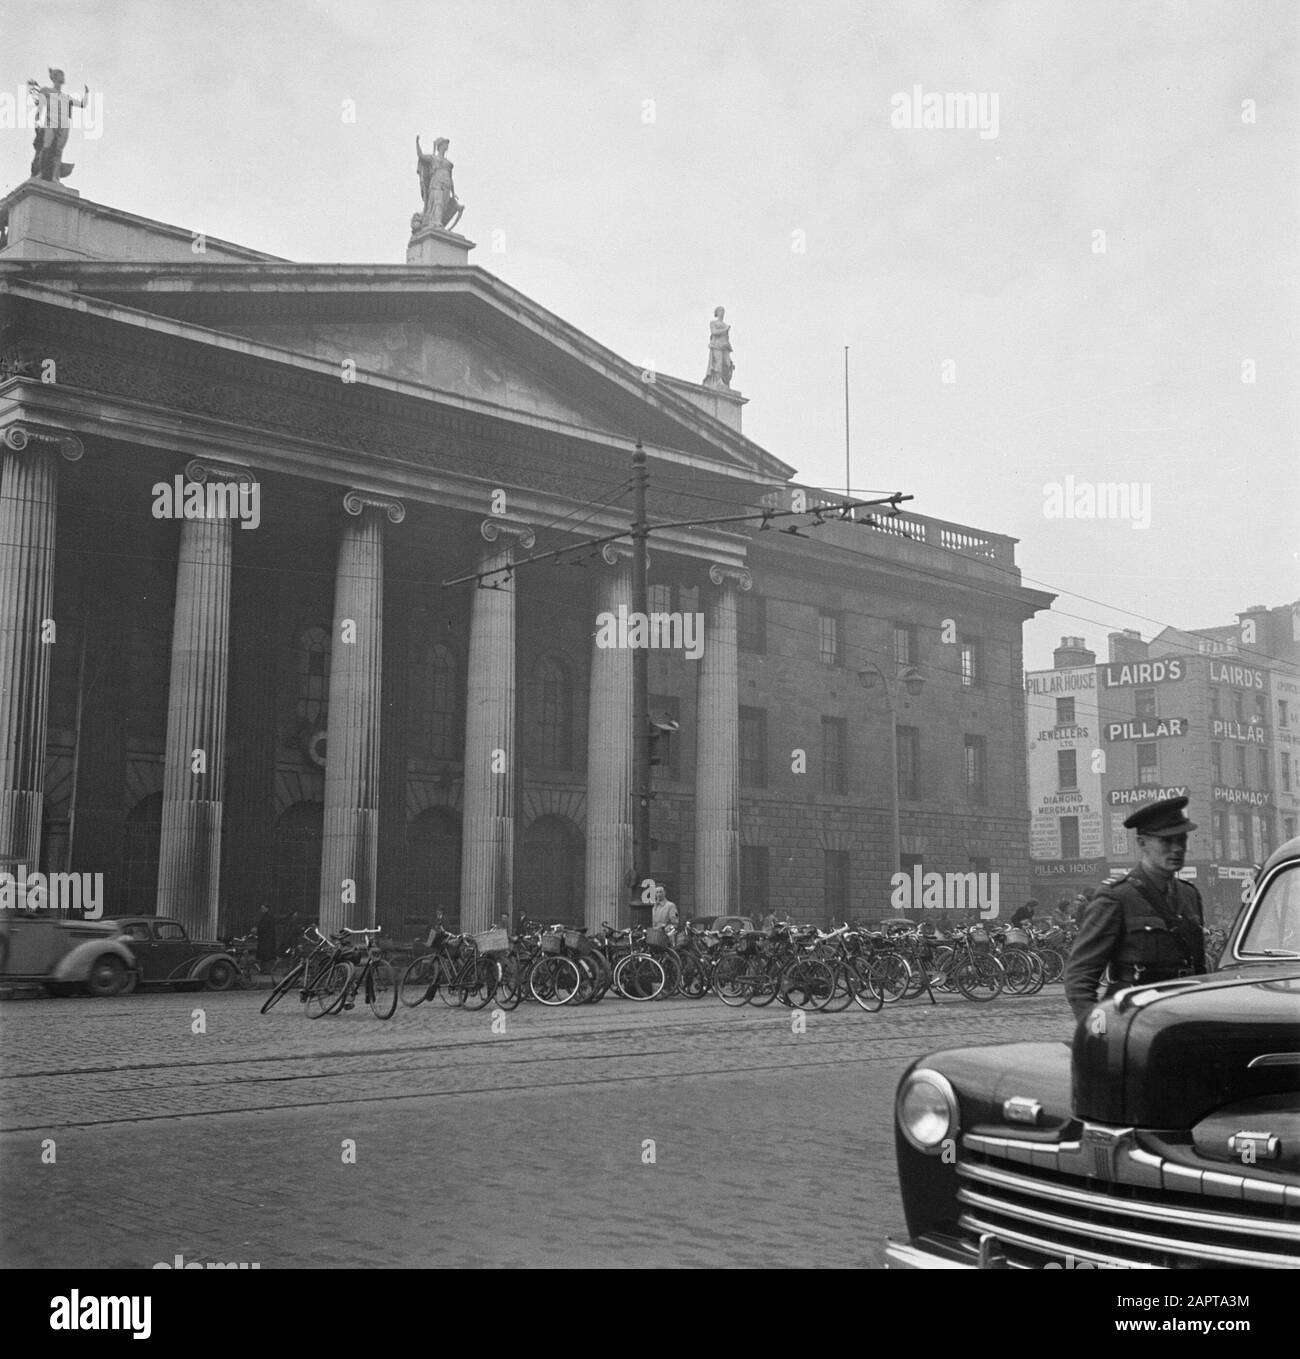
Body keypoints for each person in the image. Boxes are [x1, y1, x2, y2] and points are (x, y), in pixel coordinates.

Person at [1064, 797, 1206, 1023]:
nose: (1177, 849)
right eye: (1166, 841)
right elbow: (1079, 977)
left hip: (1182, 1015)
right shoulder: (1116, 897)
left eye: (1182, 840)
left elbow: (1198, 968)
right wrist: (1097, 1031)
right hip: (1134, 1019)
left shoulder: (1189, 895)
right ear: (1142, 843)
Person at [27, 69, 89, 182]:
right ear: (54, 77)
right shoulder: (46, 90)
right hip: (51, 123)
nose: (63, 77)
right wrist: (37, 120)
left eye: (63, 75)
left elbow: (82, 104)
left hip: (64, 125)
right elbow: (40, 107)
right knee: (46, 147)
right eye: (61, 75)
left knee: (58, 151)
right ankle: (41, 173)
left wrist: (87, 93)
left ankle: (55, 177)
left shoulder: (66, 97)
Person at [703, 307, 734, 388]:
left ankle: (724, 381)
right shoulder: (713, 323)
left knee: (727, 364)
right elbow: (714, 332)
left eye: (723, 310)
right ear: (716, 313)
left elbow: (726, 338)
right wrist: (725, 329)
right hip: (716, 345)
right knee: (718, 362)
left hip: (725, 346)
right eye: (720, 310)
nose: (722, 312)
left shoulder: (725, 325)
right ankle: (718, 380)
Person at [254, 904, 278, 973]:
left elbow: (265, 928)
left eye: (263, 908)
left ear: (267, 908)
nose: (262, 910)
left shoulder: (268, 917)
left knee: (266, 956)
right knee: (265, 956)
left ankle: (266, 970)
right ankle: (264, 970)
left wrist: (257, 929)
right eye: (261, 908)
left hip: (266, 940)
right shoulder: (266, 917)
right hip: (265, 940)